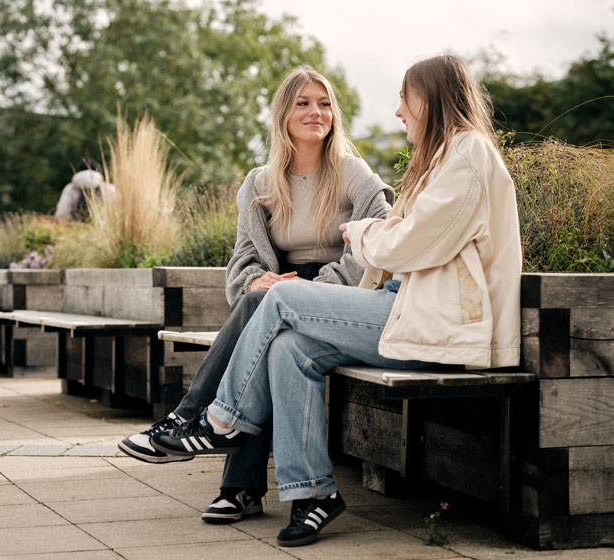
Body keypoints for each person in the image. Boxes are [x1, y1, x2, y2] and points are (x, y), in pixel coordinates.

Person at [151, 54, 523, 547]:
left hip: (439, 323)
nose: (398, 113)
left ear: (429, 99)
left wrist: (363, 231)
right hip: (407, 308)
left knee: (280, 299)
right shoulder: (443, 157)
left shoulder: (469, 153)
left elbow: (407, 242)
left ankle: (220, 421)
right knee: (289, 349)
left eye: (404, 100)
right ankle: (313, 494)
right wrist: (378, 235)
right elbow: (408, 237)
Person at [118, 65, 395, 523]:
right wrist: (255, 281)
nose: (316, 112)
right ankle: (231, 476)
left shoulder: (352, 172)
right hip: (276, 288)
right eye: (303, 103)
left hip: (336, 293)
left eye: (324, 103)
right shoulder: (261, 182)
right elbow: (243, 257)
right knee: (259, 308)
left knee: (262, 308)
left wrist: (310, 289)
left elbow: (379, 244)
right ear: (283, 114)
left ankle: (198, 435)